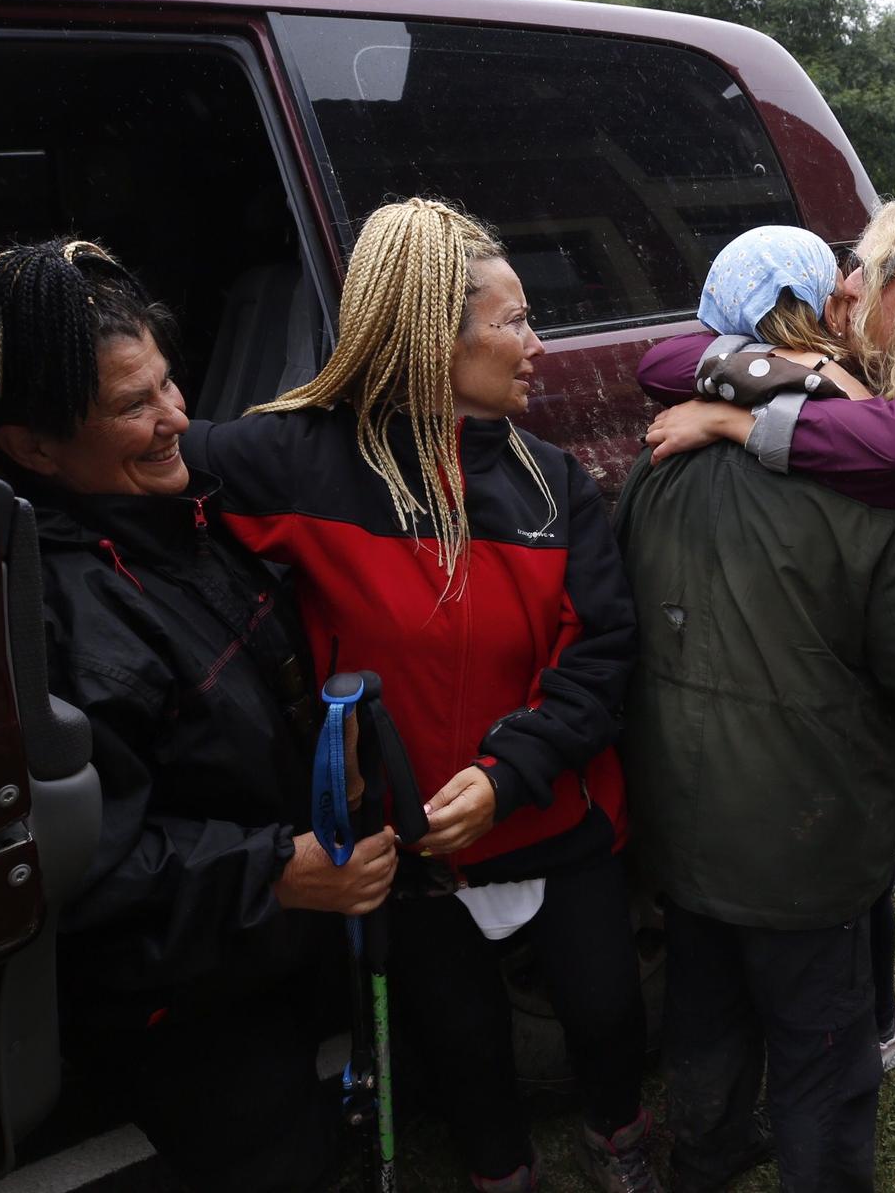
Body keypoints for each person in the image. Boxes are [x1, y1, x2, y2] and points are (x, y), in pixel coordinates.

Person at [181, 199, 656, 1193]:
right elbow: (144, 475)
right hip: (406, 842)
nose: (537, 344)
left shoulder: (552, 483)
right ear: (436, 335)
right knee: (458, 1038)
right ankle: (500, 1174)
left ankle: (621, 1139)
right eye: (513, 321)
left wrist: (507, 771)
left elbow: (601, 653)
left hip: (553, 812)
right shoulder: (294, 460)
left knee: (607, 1008)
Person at [634, 201, 895, 1189]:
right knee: (854, 887)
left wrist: (735, 412)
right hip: (862, 688)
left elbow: (892, 452)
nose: (845, 287)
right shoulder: (860, 372)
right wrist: (800, 372)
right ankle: (875, 1027)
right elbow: (661, 362)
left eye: (866, 269)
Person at [0, 238, 395, 1191]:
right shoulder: (56, 615)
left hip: (263, 944)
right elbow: (89, 868)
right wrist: (274, 874)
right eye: (134, 405)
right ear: (34, 448)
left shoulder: (174, 516)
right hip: (185, 994)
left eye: (169, 384)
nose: (177, 419)